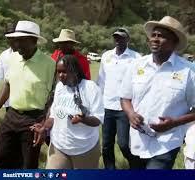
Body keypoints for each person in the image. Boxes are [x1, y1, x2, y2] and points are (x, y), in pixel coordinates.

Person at [120, 16, 195, 169]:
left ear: (174, 42)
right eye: (153, 35)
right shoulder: (136, 65)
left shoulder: (188, 71)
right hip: (137, 141)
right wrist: (131, 114)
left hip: (167, 143)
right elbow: (125, 97)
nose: (154, 39)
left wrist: (174, 123)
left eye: (161, 36)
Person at [0, 20, 56, 169]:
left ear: (33, 40)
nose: (16, 45)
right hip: (11, 115)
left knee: (29, 165)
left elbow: (53, 96)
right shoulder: (12, 58)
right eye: (15, 40)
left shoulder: (49, 64)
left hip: (33, 119)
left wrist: (44, 124)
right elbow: (7, 85)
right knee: (0, 156)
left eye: (21, 41)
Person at [31, 55, 104, 169]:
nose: (60, 76)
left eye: (64, 72)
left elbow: (97, 120)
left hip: (84, 148)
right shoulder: (60, 87)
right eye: (58, 72)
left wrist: (82, 119)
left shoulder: (91, 88)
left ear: (75, 71)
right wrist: (44, 128)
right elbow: (53, 116)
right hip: (59, 146)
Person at [97, 27, 141, 169]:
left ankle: (137, 167)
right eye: (116, 37)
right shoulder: (106, 56)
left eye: (121, 37)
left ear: (128, 39)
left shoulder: (136, 58)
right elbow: (101, 81)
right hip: (107, 107)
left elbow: (140, 83)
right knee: (106, 145)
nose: (118, 40)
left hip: (125, 108)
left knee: (123, 144)